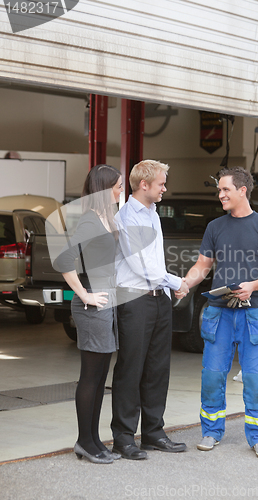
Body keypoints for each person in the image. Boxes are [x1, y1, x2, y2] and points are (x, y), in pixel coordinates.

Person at [176, 167, 258, 459]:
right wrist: (186, 283)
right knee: (212, 376)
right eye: (219, 190)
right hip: (220, 313)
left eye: (225, 189)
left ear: (242, 191)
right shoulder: (215, 227)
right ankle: (211, 431)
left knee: (256, 378)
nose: (220, 195)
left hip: (254, 314)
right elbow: (202, 266)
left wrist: (254, 285)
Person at [111, 159, 189, 460]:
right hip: (135, 299)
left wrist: (169, 287)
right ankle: (123, 437)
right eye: (160, 183)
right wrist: (176, 281)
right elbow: (140, 264)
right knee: (131, 368)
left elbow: (156, 261)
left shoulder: (153, 213)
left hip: (158, 299)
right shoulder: (127, 217)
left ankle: (154, 433)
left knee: (158, 369)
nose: (164, 188)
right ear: (144, 185)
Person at [53, 164, 124, 464]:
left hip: (107, 304)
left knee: (100, 377)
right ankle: (85, 441)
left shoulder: (105, 218)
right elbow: (64, 260)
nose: (121, 191)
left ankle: (94, 441)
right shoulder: (88, 222)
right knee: (91, 377)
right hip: (92, 307)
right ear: (104, 188)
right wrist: (84, 295)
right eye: (118, 186)